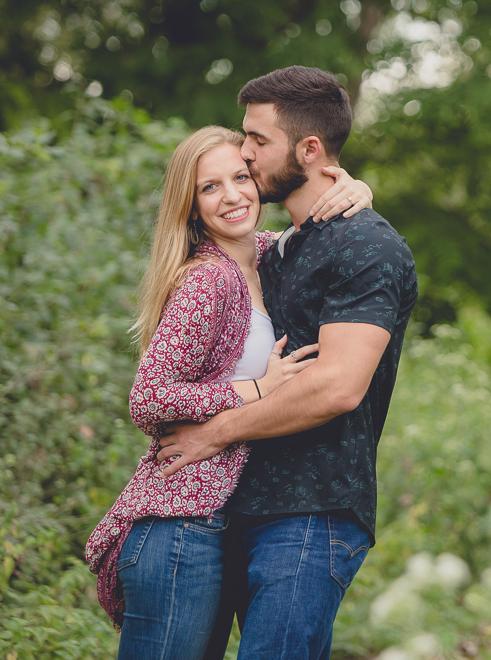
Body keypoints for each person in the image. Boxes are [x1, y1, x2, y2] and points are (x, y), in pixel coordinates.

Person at [156, 66, 419, 659]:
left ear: (308, 148)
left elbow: (336, 387)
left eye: (257, 141)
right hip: (240, 506)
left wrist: (215, 432)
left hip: (313, 512)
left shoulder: (366, 246)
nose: (245, 155)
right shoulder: (281, 249)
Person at [83, 125, 374, 659]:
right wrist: (254, 389)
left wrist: (356, 189)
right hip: (177, 521)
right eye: (210, 187)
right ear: (191, 205)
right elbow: (147, 397)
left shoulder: (267, 257)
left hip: (214, 522)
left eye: (240, 176)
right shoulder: (207, 280)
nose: (233, 195)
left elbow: (313, 225)